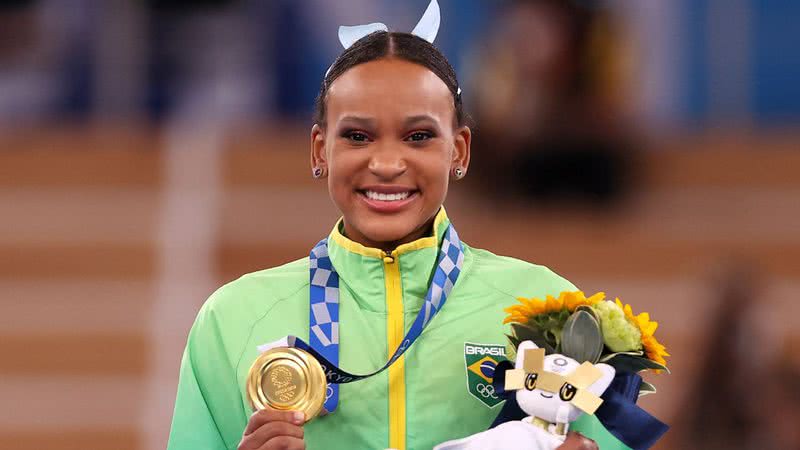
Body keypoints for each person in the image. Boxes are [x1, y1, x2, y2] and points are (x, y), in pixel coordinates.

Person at [167, 12, 626, 450]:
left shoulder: (550, 313)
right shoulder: (234, 320)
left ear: (460, 151)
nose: (386, 164)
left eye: (419, 136)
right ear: (319, 150)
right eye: (358, 137)